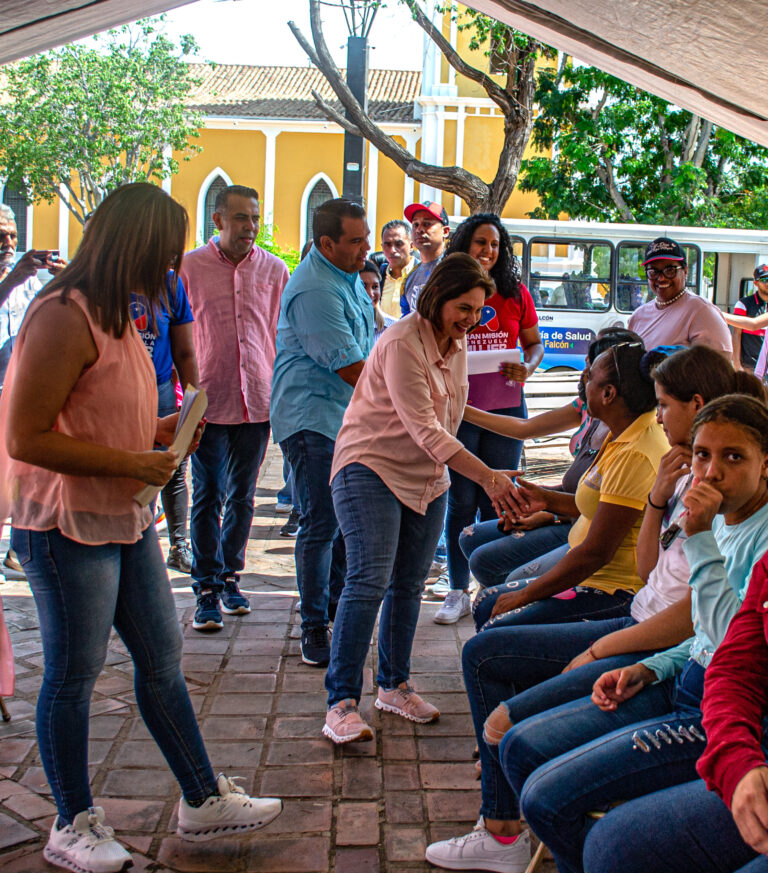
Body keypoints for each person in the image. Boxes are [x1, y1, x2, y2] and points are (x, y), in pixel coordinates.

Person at [0, 184, 282, 873]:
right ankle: (71, 821)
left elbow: (99, 412)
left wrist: (157, 434)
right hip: (65, 524)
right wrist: (132, 457)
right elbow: (26, 434)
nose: (172, 267)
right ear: (134, 243)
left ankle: (201, 799)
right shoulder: (63, 314)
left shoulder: (126, 315)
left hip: (122, 515)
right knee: (72, 674)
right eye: (164, 249)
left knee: (161, 661)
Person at [425, 345, 765, 873]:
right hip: (671, 665)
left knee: (502, 677)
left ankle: (510, 833)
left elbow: (710, 632)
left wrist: (606, 648)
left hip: (689, 686)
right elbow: (664, 583)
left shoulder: (728, 519)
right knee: (513, 724)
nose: (712, 470)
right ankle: (506, 828)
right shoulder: (701, 493)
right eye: (704, 454)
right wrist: (659, 498)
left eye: (732, 457)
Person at [322, 253, 519, 744]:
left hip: (429, 477)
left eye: (477, 311)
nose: (471, 320)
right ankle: (341, 702)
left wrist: (515, 432)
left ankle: (394, 686)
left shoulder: (457, 341)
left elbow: (451, 411)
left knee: (408, 584)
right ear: (437, 297)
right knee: (369, 579)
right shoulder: (400, 343)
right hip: (371, 466)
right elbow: (427, 429)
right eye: (464, 308)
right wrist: (490, 478)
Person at [582, 543, 768, 873]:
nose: (701, 488)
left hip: (699, 707)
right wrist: (738, 761)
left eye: (716, 484)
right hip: (691, 685)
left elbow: (709, 624)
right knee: (612, 846)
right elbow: (734, 660)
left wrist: (700, 537)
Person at [471, 341, 668, 632]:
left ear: (608, 394)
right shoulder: (623, 431)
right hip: (589, 565)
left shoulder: (637, 452)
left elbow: (596, 553)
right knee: (487, 600)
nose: (582, 382)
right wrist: (545, 500)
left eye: (589, 377)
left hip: (611, 587)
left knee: (490, 622)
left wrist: (525, 595)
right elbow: (600, 505)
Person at [271, 198, 374, 668]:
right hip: (312, 419)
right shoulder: (315, 288)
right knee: (320, 524)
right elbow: (354, 367)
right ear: (325, 243)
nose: (366, 248)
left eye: (365, 237)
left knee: (340, 524)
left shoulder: (348, 276)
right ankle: (314, 625)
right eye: (356, 241)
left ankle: (334, 613)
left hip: (344, 419)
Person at [180, 184, 289, 631]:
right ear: (218, 220)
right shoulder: (188, 268)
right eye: (242, 218)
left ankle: (230, 577)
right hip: (209, 399)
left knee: (243, 496)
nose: (251, 227)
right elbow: (178, 334)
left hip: (257, 401)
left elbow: (283, 336)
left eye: (256, 218)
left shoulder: (275, 270)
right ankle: (205, 586)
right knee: (208, 494)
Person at [458, 329, 640, 590]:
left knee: (488, 564)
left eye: (590, 370)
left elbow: (600, 513)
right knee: (469, 537)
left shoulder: (624, 433)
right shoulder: (588, 409)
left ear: (610, 389)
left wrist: (549, 512)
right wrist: (460, 410)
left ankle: (505, 603)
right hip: (568, 514)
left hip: (578, 525)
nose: (582, 375)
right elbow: (525, 427)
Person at [434, 214, 544, 623]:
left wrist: (528, 368)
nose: (488, 251)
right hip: (460, 413)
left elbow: (533, 345)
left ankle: (491, 591)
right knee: (459, 501)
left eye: (495, 244)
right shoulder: (444, 291)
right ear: (464, 244)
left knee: (498, 499)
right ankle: (457, 591)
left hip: (507, 411)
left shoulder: (516, 294)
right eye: (481, 242)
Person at [130, 274, 198, 574]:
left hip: (161, 389)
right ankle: (135, 541)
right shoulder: (102, 277)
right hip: (119, 389)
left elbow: (184, 351)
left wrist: (193, 406)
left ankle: (178, 544)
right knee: (134, 468)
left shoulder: (171, 284)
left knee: (172, 467)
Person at [628, 237, 732, 354]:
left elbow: (719, 367)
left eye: (670, 270)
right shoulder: (638, 316)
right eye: (653, 271)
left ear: (685, 271)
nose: (661, 278)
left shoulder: (702, 312)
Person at [400, 200, 450, 316]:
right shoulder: (410, 278)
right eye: (415, 225)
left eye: (427, 224)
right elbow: (405, 320)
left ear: (445, 231)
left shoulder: (456, 269)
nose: (419, 230)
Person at [730, 264, 768, 371]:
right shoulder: (743, 304)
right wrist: (737, 365)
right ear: (755, 282)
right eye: (765, 279)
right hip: (749, 366)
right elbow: (736, 334)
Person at [379, 219, 417, 319]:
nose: (392, 250)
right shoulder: (378, 278)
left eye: (399, 244)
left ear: (411, 246)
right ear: (382, 247)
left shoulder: (422, 275)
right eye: (387, 244)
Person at [360, 258, 396, 341]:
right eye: (363, 286)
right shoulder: (338, 327)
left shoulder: (394, 328)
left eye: (375, 287)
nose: (370, 293)